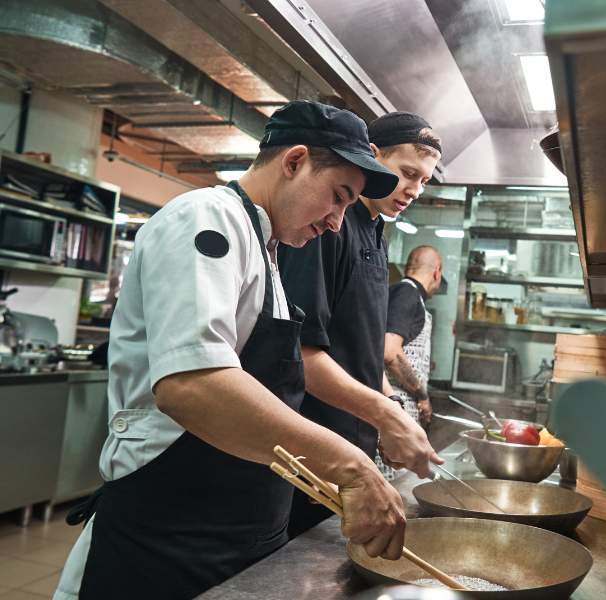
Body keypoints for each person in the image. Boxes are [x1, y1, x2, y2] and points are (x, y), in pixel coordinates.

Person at [55, 101, 409, 600]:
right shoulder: (207, 218)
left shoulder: (268, 251)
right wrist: (349, 464)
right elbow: (194, 385)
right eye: (338, 196)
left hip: (233, 535)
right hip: (165, 541)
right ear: (294, 161)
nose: (336, 222)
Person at [278, 112, 443, 537]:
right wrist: (387, 415)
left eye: (423, 180)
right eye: (408, 173)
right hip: (312, 448)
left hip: (353, 446)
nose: (414, 190)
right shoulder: (324, 227)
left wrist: (394, 410)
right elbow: (302, 353)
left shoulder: (376, 233)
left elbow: (359, 348)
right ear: (373, 157)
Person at [378, 246, 443, 480]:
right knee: (389, 484)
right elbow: (389, 352)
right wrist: (421, 394)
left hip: (396, 410)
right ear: (436, 272)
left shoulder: (402, 292)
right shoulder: (407, 294)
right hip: (394, 406)